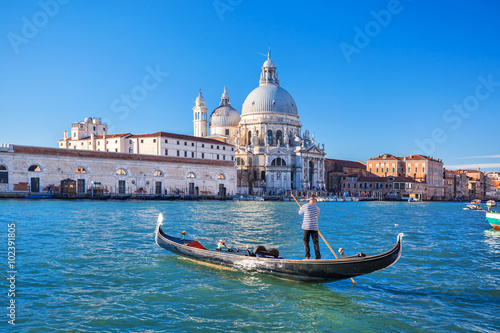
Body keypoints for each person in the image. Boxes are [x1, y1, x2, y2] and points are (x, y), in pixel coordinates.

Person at [299, 195, 321, 259]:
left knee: (306, 242)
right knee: (316, 243)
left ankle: (307, 256)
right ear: (314, 200)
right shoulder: (317, 208)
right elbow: (317, 216)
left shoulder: (305, 206)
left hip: (306, 227)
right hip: (314, 227)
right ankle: (318, 257)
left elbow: (300, 213)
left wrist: (300, 209)